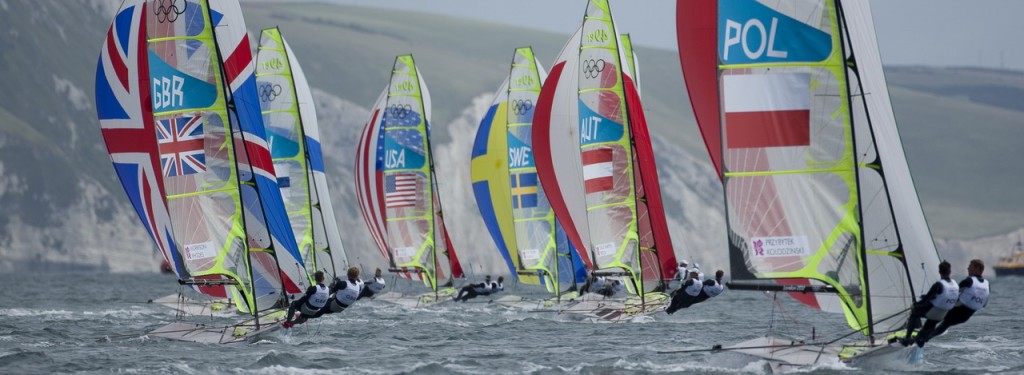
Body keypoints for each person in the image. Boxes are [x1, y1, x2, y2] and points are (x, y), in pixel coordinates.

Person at [915, 259, 990, 347]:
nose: (968, 268)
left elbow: (951, 293)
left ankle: (919, 337)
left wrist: (928, 297)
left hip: (956, 311)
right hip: (965, 317)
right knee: (945, 324)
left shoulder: (968, 281)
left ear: (977, 269)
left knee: (932, 318)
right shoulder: (987, 284)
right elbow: (984, 304)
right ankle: (924, 339)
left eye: (970, 267)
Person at [901, 261, 958, 346]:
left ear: (939, 272)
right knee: (931, 322)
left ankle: (907, 339)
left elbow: (926, 300)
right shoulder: (955, 284)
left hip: (934, 312)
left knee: (915, 312)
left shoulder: (938, 285)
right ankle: (920, 340)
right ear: (950, 272)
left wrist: (915, 305)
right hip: (943, 314)